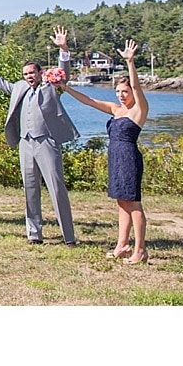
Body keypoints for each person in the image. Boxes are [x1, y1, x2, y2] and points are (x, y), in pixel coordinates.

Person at [0, 25, 79, 245]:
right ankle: (34, 234)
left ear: (40, 73)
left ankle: (68, 236)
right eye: (26, 74)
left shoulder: (51, 86)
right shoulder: (19, 88)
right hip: (25, 143)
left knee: (56, 188)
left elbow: (64, 75)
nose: (29, 77)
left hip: (47, 142)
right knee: (30, 190)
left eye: (32, 73)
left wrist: (63, 49)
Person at [62, 40, 149, 263]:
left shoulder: (138, 110)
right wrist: (65, 88)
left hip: (129, 157)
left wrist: (130, 62)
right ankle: (122, 244)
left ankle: (140, 249)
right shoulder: (115, 109)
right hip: (115, 157)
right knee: (121, 202)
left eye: (125, 91)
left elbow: (138, 88)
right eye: (118, 91)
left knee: (133, 203)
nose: (121, 95)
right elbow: (89, 101)